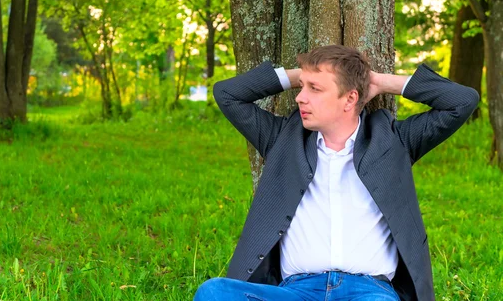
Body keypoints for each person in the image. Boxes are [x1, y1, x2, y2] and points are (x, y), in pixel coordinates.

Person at [194, 45, 479, 301]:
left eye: (315, 89)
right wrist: (302, 75)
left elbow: (462, 100)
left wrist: (379, 82)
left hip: (368, 293)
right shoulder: (282, 138)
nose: (300, 98)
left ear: (349, 99)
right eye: (301, 88)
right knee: (214, 292)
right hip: (296, 292)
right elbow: (227, 94)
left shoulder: (394, 140)